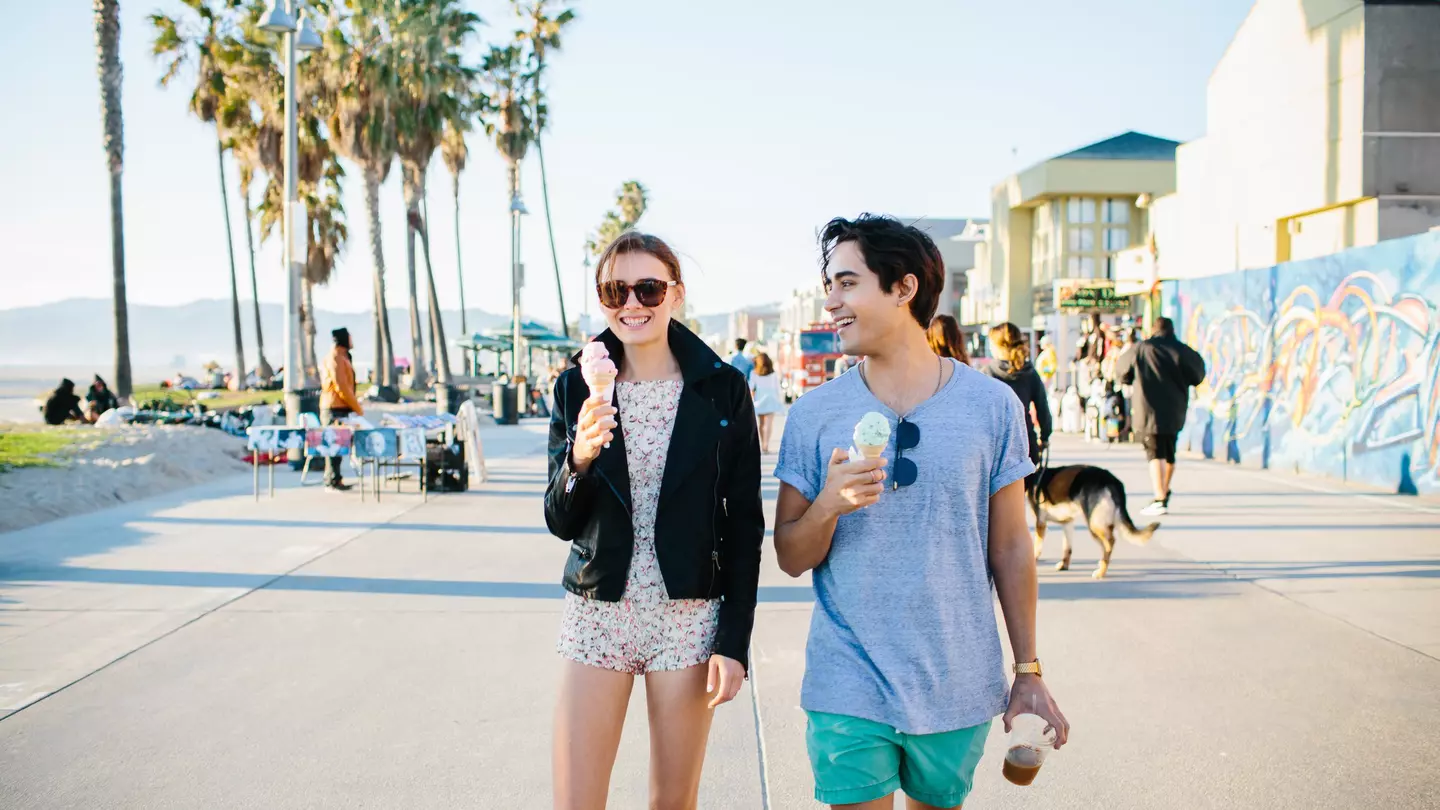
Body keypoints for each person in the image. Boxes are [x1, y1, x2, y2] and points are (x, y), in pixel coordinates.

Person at [773, 214, 1068, 809]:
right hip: (846, 679)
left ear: (904, 288)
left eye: (847, 283)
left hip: (956, 680)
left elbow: (1011, 548)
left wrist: (1028, 667)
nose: (831, 303)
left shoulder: (993, 406)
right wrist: (829, 503)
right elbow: (790, 556)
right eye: (829, 286)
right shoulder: (813, 414)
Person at [543, 231, 763, 809]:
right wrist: (579, 460)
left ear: (676, 295)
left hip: (686, 618)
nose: (632, 304)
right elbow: (561, 520)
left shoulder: (722, 390)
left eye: (648, 288)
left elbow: (744, 524)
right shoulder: (576, 387)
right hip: (597, 613)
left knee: (673, 801)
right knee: (576, 801)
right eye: (616, 290)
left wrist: (734, 641)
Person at [1114, 316, 1206, 516]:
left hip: (1148, 409)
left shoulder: (1141, 349)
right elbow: (1198, 374)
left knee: (1154, 452)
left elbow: (1121, 371)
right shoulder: (1181, 350)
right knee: (1169, 451)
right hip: (1175, 409)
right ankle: (1164, 491)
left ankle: (1159, 498)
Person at [984, 322, 1053, 482]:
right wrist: (1044, 437)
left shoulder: (986, 374)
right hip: (1025, 444)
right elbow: (1043, 407)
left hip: (994, 448)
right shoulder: (1029, 372)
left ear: (997, 346)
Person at [320, 327, 364, 492]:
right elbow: (342, 386)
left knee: (340, 445)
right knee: (333, 445)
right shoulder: (336, 358)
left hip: (342, 406)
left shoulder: (343, 356)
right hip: (334, 407)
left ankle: (335, 478)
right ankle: (331, 479)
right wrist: (357, 407)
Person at [750, 351, 784, 453]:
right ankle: (766, 444)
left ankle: (762, 443)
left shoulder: (754, 373)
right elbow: (778, 388)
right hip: (772, 398)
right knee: (769, 423)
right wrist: (780, 399)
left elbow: (751, 388)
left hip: (760, 399)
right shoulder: (773, 374)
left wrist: (752, 400)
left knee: (761, 423)